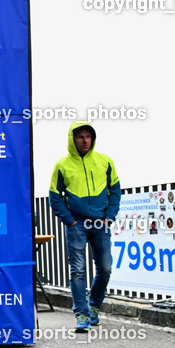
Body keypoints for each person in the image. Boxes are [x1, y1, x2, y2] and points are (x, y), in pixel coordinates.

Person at [49, 121, 121, 332]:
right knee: (78, 271)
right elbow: (55, 196)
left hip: (101, 222)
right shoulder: (62, 165)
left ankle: (94, 307)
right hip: (77, 224)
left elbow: (115, 190)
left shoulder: (105, 161)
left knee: (105, 269)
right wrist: (69, 220)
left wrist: (109, 217)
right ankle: (81, 314)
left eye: (88, 136)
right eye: (80, 137)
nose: (85, 140)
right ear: (73, 139)